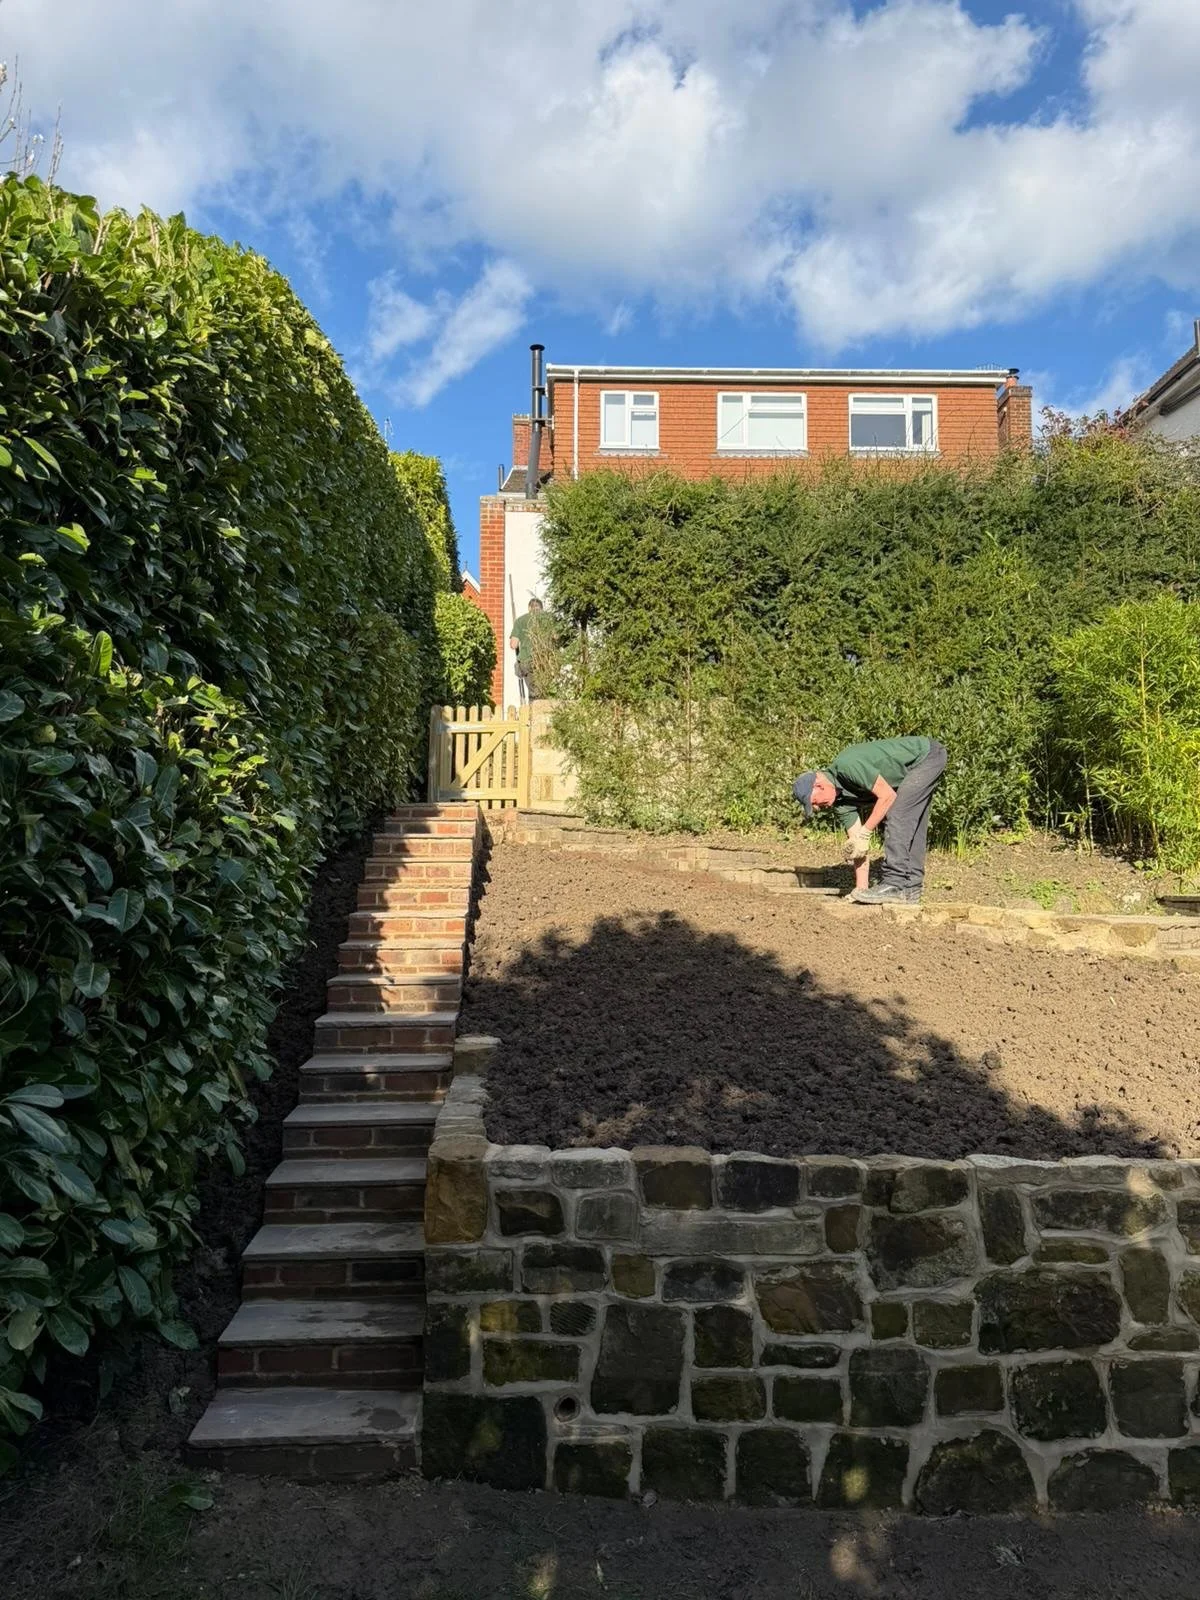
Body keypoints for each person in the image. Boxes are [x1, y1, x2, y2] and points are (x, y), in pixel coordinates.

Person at [792, 737, 948, 904]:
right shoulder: (841, 804)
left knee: (897, 814)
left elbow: (888, 797)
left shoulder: (847, 766)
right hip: (920, 764)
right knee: (911, 822)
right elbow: (858, 847)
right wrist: (860, 892)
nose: (816, 808)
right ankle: (911, 890)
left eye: (813, 802)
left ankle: (894, 884)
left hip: (925, 756)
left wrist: (866, 832)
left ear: (818, 785)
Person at [509, 597, 554, 702]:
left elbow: (514, 645)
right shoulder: (548, 619)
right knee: (543, 692)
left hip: (526, 662)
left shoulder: (520, 620)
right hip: (544, 662)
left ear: (529, 608)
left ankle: (532, 713)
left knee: (533, 693)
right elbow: (555, 637)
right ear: (541, 608)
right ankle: (539, 711)